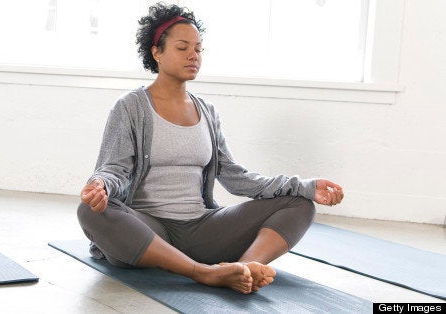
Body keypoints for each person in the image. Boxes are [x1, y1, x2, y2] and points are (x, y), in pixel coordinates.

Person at [77, 3, 344, 294]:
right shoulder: (131, 107)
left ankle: (243, 268)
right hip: (149, 231)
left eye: (199, 49)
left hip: (202, 228)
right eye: (182, 47)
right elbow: (114, 169)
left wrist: (303, 186)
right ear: (157, 52)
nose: (194, 55)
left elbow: (235, 176)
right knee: (90, 213)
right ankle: (203, 273)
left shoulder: (207, 111)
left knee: (299, 204)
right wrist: (100, 184)